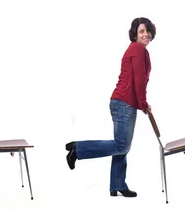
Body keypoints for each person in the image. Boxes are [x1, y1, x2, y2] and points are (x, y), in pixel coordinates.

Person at [64, 17, 155, 198]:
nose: (145, 34)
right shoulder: (137, 49)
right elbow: (138, 81)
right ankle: (78, 149)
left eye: (147, 31)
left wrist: (142, 103)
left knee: (122, 145)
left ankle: (117, 184)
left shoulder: (140, 50)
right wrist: (143, 104)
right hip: (124, 103)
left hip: (124, 102)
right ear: (135, 35)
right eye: (141, 31)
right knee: (121, 145)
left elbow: (138, 81)